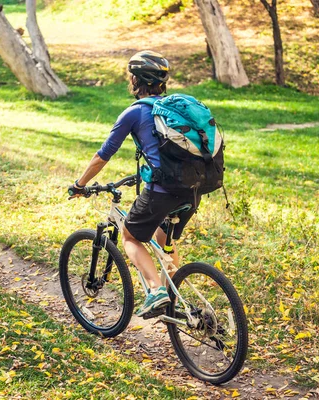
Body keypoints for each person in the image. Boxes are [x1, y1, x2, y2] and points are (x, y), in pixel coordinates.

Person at [68, 50, 200, 317]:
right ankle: (173, 302)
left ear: (136, 80)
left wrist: (80, 184)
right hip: (194, 188)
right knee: (165, 241)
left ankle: (156, 291)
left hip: (163, 191)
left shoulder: (134, 112)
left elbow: (103, 155)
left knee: (130, 236)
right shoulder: (177, 108)